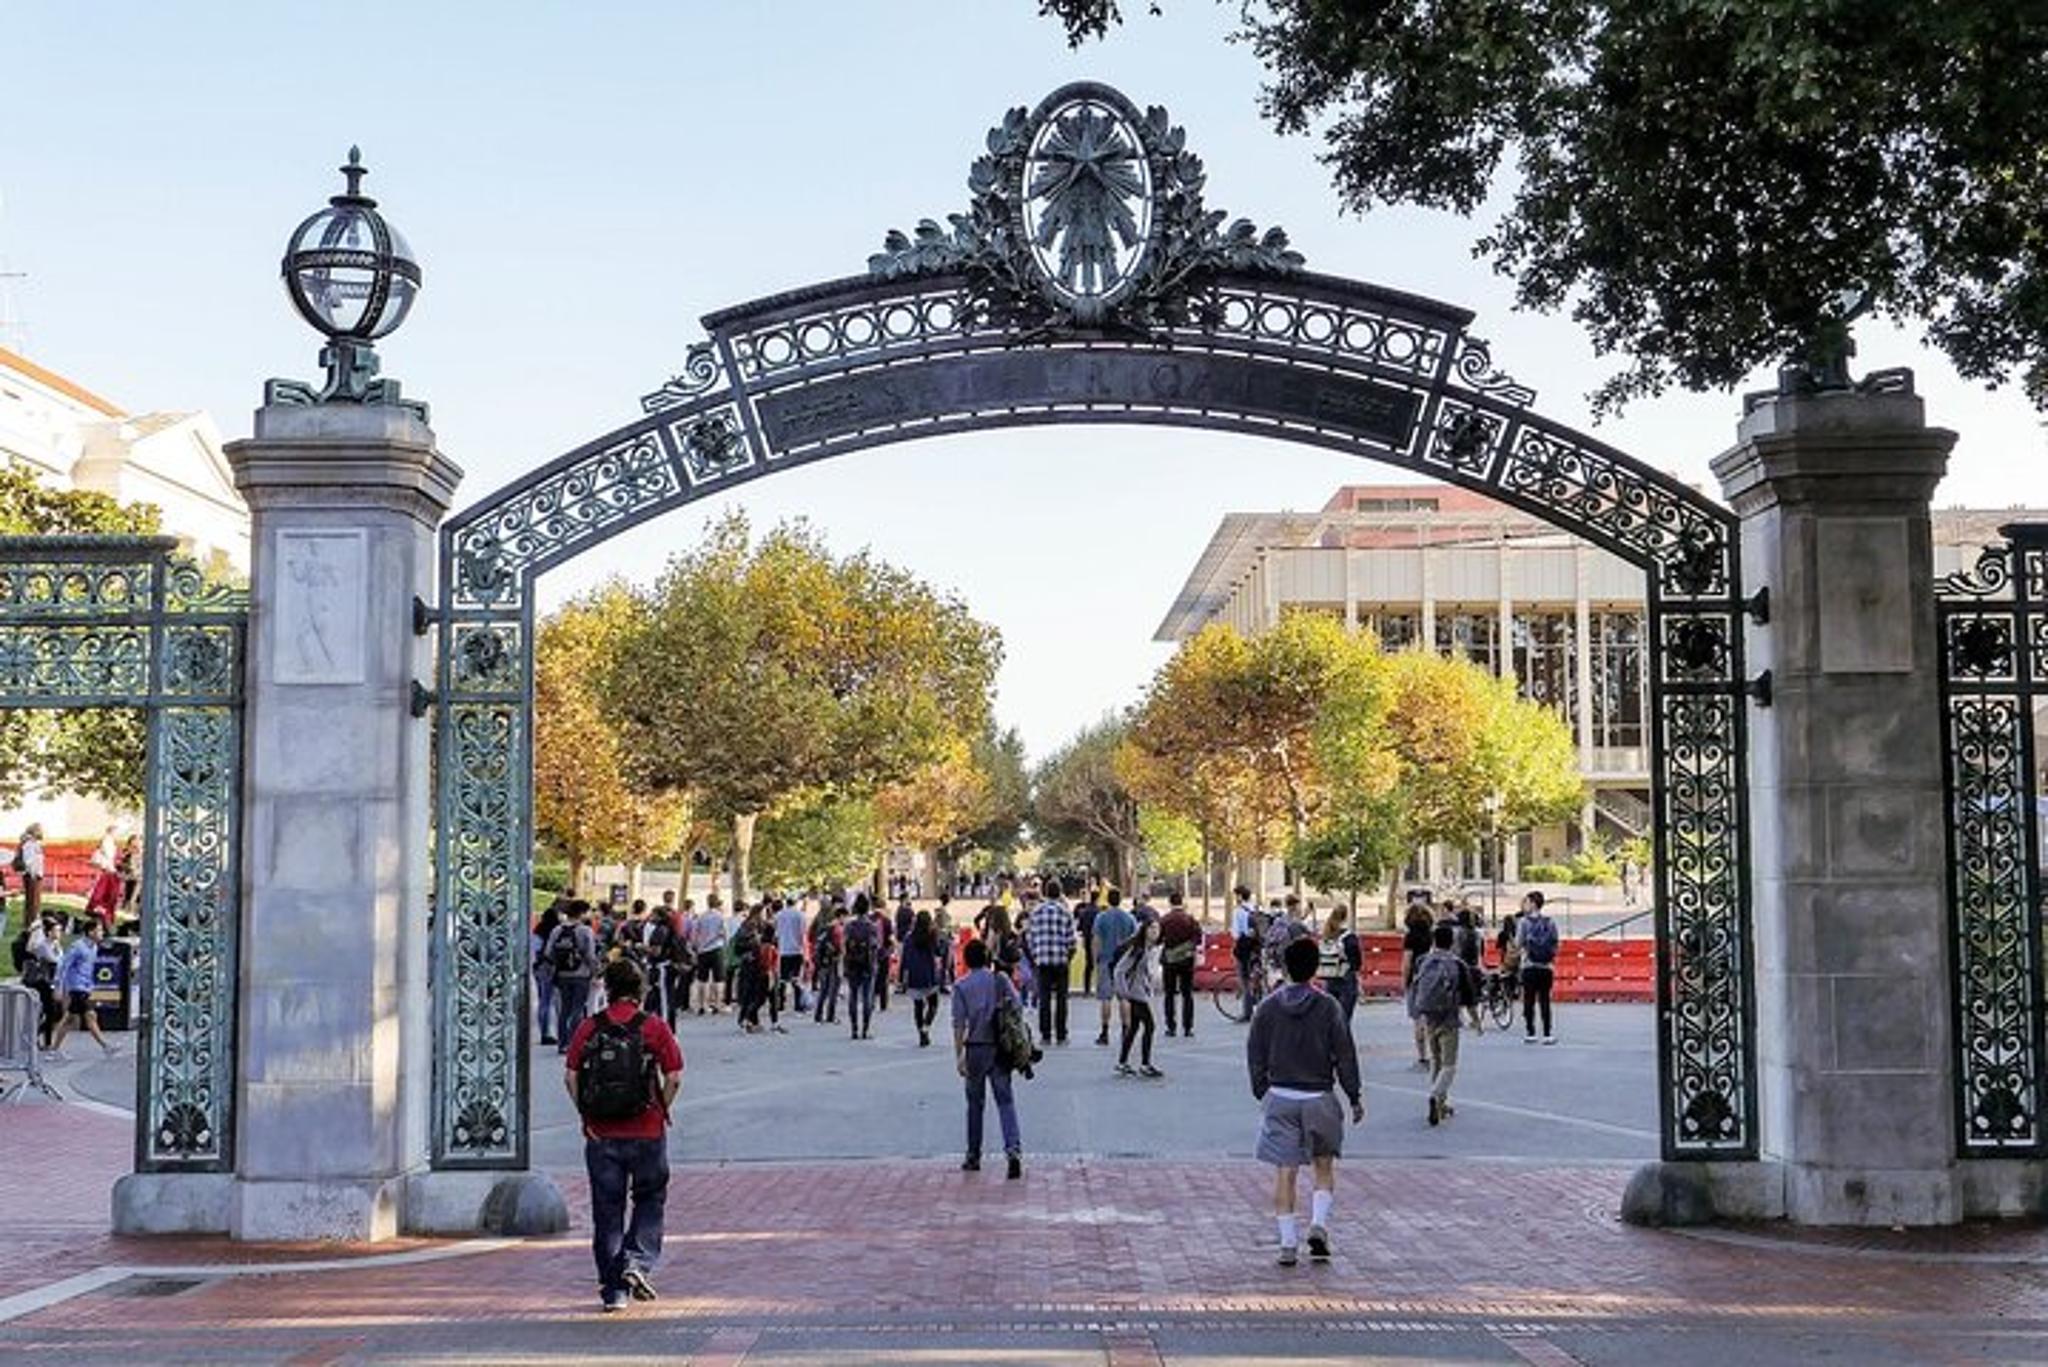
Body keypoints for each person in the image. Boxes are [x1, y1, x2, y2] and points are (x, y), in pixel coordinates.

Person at [563, 956, 684, 1313]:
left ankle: (613, 1290)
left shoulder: (590, 1027)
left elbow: (571, 1076)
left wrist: (585, 1113)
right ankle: (637, 1260)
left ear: (609, 989)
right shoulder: (654, 1027)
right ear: (641, 990)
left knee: (607, 1209)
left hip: (601, 1132)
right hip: (647, 1130)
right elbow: (674, 1076)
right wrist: (661, 1106)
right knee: (650, 1198)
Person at [1247, 936, 1364, 1268]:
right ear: (1316, 968)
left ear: (1285, 967)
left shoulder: (1267, 1007)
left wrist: (1262, 1089)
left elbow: (1255, 1052)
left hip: (1281, 1095)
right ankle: (1318, 1224)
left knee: (1285, 1171)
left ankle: (1287, 1243)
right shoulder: (1329, 1006)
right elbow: (1344, 1054)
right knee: (1323, 1165)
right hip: (1319, 1096)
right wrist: (1354, 1095)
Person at [952, 937, 1024, 1179]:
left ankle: (973, 1155)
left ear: (966, 960)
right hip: (999, 1047)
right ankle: (1013, 1151)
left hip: (975, 1048)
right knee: (1005, 1101)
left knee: (975, 1103)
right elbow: (1018, 1005)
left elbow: (959, 1024)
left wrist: (959, 1055)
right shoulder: (999, 980)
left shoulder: (961, 986)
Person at [1407, 922, 1476, 1125]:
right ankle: (1436, 1095)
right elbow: (1469, 998)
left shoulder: (1422, 961)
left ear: (1433, 941)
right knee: (1449, 1065)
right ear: (1452, 942)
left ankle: (1441, 1104)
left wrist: (1416, 1013)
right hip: (1450, 1018)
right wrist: (1476, 1020)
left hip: (1429, 1017)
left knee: (1436, 1060)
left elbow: (1415, 986)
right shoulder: (1457, 964)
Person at [1023, 876, 1077, 1047]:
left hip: (1043, 961)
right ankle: (1061, 1034)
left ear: (1045, 893)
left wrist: (1035, 957)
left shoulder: (1036, 912)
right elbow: (1072, 941)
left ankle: (1045, 1035)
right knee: (1062, 999)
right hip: (1061, 960)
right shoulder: (1065, 912)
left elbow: (1029, 938)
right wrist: (1068, 957)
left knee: (1044, 998)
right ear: (1060, 893)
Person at [51, 918, 117, 1058]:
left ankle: (54, 1050)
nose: (102, 933)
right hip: (77, 988)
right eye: (99, 930)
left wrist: (90, 986)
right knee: (90, 1016)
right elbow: (63, 966)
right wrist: (58, 987)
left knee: (69, 1019)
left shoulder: (94, 947)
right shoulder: (77, 947)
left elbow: (88, 968)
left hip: (85, 987)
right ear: (90, 932)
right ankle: (106, 1046)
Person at [543, 902, 602, 1051]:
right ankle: (574, 1042)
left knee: (564, 1009)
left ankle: (562, 1043)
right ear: (581, 913)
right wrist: (596, 972)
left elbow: (548, 952)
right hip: (581, 974)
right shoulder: (585, 931)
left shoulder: (557, 930)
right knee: (578, 1008)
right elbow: (590, 955)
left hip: (562, 974)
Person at [1111, 915, 1163, 1079]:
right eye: (1152, 928)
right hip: (1135, 994)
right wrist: (1123, 993)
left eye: (1157, 928)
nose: (1155, 931)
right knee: (1150, 1026)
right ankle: (1145, 1064)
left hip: (1140, 992)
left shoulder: (1147, 948)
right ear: (1144, 930)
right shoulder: (1138, 949)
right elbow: (1119, 970)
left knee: (1133, 1028)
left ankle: (1122, 1062)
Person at [1090, 889, 1138, 1047]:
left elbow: (1096, 940)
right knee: (1124, 997)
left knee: (1106, 998)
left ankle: (1104, 1032)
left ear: (1108, 900)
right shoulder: (1129, 918)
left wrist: (1095, 959)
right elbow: (1135, 940)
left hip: (1106, 959)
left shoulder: (1101, 918)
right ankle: (1126, 1030)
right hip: (1124, 961)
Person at [1517, 890, 1560, 1044]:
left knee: (1529, 1000)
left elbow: (1518, 943)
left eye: (1527, 902)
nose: (1525, 905)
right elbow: (1555, 943)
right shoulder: (1550, 922)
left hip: (1529, 966)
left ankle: (1531, 1032)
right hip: (1546, 967)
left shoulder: (1524, 922)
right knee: (1545, 1000)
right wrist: (1550, 958)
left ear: (1534, 904)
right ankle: (1547, 1034)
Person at [1157, 891, 1202, 1039]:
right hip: (1186, 960)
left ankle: (1171, 1027)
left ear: (1170, 903)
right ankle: (1188, 1027)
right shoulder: (1190, 919)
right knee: (1187, 994)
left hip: (1169, 961)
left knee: (1169, 994)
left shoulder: (1165, 919)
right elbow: (1198, 938)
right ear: (1181, 902)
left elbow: (1158, 939)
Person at [1399, 902, 1434, 1069]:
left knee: (1418, 1019)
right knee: (1430, 1018)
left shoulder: (1410, 937)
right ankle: (1435, 1053)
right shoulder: (1431, 935)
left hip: (1416, 978)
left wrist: (1404, 981)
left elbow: (1407, 962)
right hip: (1431, 978)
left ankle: (1422, 1057)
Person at [904, 910, 944, 1046]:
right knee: (933, 1003)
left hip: (914, 974)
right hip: (929, 973)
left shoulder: (909, 938)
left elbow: (905, 958)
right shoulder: (932, 936)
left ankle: (920, 1031)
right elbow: (939, 952)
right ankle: (926, 1027)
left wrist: (903, 976)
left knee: (918, 1005)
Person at [1316, 908, 1362, 1027]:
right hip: (1346, 979)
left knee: (1331, 1019)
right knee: (1344, 1020)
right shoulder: (1350, 937)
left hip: (1329, 978)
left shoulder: (1327, 935)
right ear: (1346, 917)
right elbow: (1357, 962)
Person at [22, 913, 62, 1050]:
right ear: (49, 932)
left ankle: (39, 1038)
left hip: (50, 981)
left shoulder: (54, 944)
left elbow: (60, 960)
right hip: (41, 982)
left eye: (60, 930)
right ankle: (38, 1038)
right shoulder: (42, 946)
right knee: (48, 1011)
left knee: (51, 1012)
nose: (59, 933)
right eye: (56, 930)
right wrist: (57, 950)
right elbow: (55, 960)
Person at [842, 894, 879, 1039]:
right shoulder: (872, 926)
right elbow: (875, 946)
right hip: (868, 964)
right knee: (867, 997)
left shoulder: (849, 926)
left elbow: (844, 945)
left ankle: (854, 1028)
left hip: (852, 963)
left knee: (853, 995)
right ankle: (865, 1028)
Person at [533, 900, 565, 1046]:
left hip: (541, 967)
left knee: (543, 1000)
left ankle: (544, 1032)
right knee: (558, 1001)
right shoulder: (558, 931)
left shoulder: (538, 930)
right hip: (556, 967)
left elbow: (534, 950)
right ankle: (561, 1032)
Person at [690, 895, 727, 1015]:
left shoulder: (701, 916)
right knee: (719, 979)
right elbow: (724, 933)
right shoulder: (720, 916)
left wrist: (695, 947)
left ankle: (702, 1005)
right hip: (717, 949)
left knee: (702, 979)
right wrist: (725, 946)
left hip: (703, 950)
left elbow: (695, 934)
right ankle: (717, 1004)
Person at [1230, 885, 1262, 1019]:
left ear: (1239, 896)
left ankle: (1247, 1012)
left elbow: (1236, 934)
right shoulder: (1257, 909)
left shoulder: (1238, 911)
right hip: (1257, 948)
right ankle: (1260, 1008)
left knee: (1245, 980)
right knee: (1258, 978)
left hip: (1243, 948)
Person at [774, 894, 808, 1014]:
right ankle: (798, 1005)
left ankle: (781, 1005)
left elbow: (776, 933)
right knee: (796, 978)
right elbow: (803, 933)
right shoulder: (800, 915)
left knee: (783, 979)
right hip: (796, 950)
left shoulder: (779, 915)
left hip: (783, 950)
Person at [84, 825, 122, 930]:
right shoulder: (107, 841)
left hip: (108, 870)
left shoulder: (109, 841)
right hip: (107, 870)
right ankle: (102, 916)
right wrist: (111, 868)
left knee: (105, 896)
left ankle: (103, 917)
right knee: (104, 896)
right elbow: (108, 857)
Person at [811, 903, 843, 1025]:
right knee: (833, 989)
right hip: (834, 961)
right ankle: (831, 1015)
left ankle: (818, 1015)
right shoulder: (837, 928)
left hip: (823, 961)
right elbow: (839, 946)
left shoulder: (824, 928)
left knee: (824, 989)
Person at [13, 824, 44, 927]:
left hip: (33, 875)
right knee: (33, 902)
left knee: (32, 901)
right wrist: (34, 874)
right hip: (32, 875)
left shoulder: (33, 843)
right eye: (40, 830)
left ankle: (30, 921)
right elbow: (29, 861)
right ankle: (31, 922)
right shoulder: (30, 844)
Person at [1075, 887, 1101, 996]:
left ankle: (1087, 989)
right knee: (1099, 963)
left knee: (1088, 964)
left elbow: (1079, 928)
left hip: (1087, 939)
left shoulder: (1084, 912)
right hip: (1097, 940)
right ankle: (1100, 987)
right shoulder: (1099, 912)